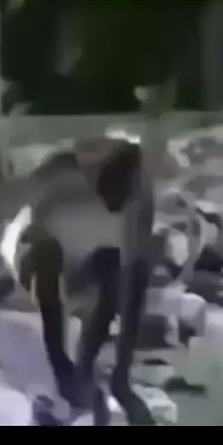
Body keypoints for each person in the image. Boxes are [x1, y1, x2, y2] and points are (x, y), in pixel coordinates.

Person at [12, 137, 156, 425]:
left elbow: (133, 286)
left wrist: (122, 375)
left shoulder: (136, 203)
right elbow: (16, 224)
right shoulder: (59, 177)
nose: (116, 207)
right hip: (45, 266)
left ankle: (85, 366)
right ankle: (61, 366)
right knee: (45, 252)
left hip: (85, 272)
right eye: (112, 197)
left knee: (123, 266)